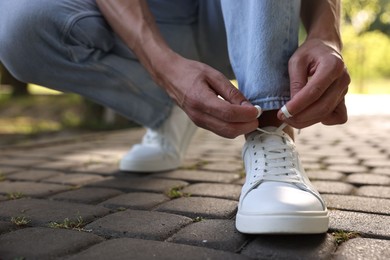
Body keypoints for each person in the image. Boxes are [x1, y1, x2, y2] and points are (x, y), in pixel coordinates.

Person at [0, 0, 350, 234]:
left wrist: (328, 34)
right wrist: (163, 69)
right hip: (144, 17)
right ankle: (167, 110)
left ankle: (272, 132)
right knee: (19, 24)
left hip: (249, 15)